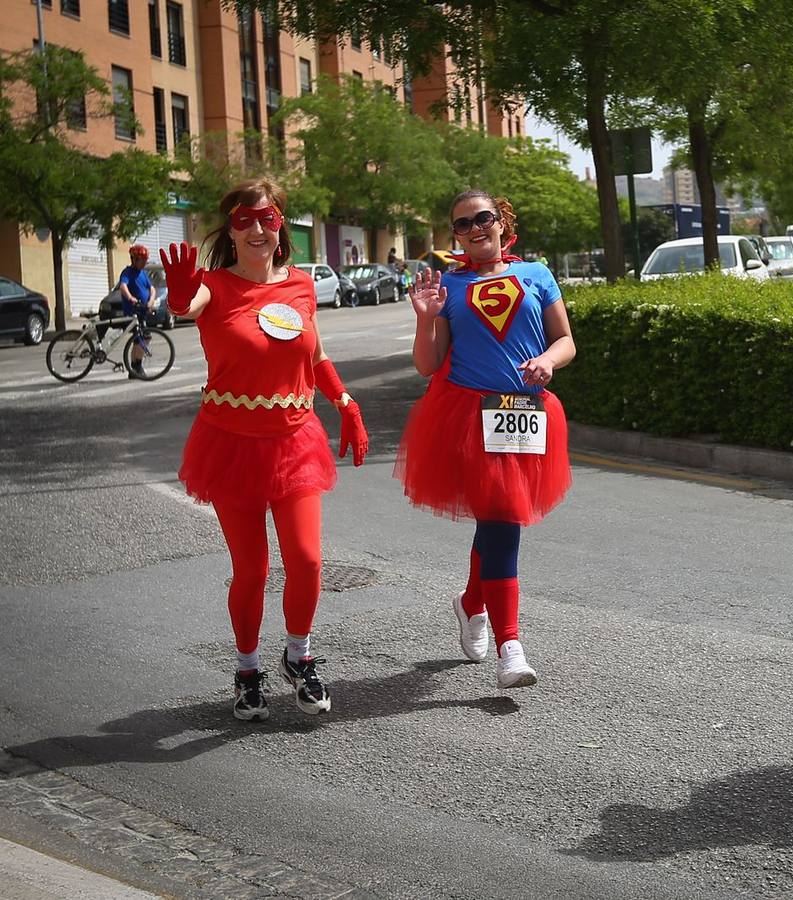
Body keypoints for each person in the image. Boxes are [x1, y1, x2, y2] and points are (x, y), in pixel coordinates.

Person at [159, 178, 370, 723]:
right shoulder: (214, 285)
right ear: (230, 230)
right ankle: (247, 669)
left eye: (268, 218)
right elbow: (188, 306)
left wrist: (345, 401)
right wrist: (181, 294)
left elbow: (317, 356)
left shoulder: (300, 284)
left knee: (306, 560)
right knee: (251, 570)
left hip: (295, 439)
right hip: (231, 444)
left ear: (282, 225)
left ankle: (298, 656)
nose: (257, 228)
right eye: (244, 220)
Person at [394, 190, 575, 689]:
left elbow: (566, 341)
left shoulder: (537, 274)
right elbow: (428, 365)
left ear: (502, 221)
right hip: (471, 417)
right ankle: (510, 646)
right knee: (502, 523)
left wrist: (547, 361)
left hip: (529, 412)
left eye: (483, 218)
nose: (475, 228)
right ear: (454, 235)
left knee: (500, 518)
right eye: (462, 224)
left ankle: (472, 603)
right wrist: (425, 317)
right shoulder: (447, 286)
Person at [116, 245, 157, 378]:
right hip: (133, 312)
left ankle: (134, 368)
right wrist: (130, 298)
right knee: (143, 338)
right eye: (142, 260)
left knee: (139, 340)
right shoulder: (128, 272)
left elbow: (152, 288)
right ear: (134, 259)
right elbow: (123, 286)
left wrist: (151, 300)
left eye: (145, 259)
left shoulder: (143, 273)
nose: (145, 262)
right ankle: (136, 366)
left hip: (142, 311)